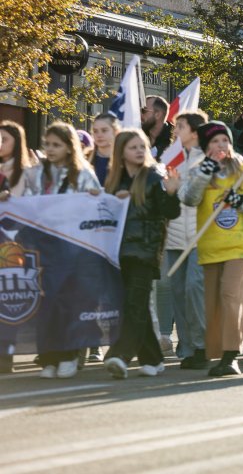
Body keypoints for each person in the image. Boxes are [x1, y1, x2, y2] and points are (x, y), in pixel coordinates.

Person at [179, 121, 243, 376]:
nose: (221, 146)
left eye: (225, 141)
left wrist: (238, 200)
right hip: (210, 245)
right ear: (206, 146)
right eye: (215, 142)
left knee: (231, 296)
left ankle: (232, 356)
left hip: (238, 244)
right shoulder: (199, 169)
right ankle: (215, 353)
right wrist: (205, 172)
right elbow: (188, 197)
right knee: (213, 301)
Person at [23, 122, 102, 378]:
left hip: (74, 247)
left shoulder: (83, 174)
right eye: (48, 144)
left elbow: (97, 206)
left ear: (70, 148)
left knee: (71, 302)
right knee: (48, 303)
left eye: (57, 145)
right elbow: (28, 201)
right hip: (45, 247)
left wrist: (92, 198)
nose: (51, 149)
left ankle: (69, 354)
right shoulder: (38, 174)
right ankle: (49, 357)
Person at [102, 130, 181, 379]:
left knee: (134, 304)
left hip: (145, 252)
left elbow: (170, 212)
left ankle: (120, 355)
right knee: (136, 306)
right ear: (121, 152)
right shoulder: (115, 179)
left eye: (142, 146)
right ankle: (153, 358)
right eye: (132, 147)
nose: (139, 151)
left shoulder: (153, 176)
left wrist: (172, 192)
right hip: (120, 252)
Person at [164, 110, 209, 370]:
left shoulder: (208, 159)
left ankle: (202, 345)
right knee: (178, 292)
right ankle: (187, 347)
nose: (175, 129)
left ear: (194, 131)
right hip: (175, 235)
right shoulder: (171, 158)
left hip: (199, 235)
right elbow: (166, 193)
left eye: (180, 126)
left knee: (194, 288)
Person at [87, 114, 121, 363]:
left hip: (117, 234)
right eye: (95, 130)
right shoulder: (85, 161)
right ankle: (93, 342)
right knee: (91, 290)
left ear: (114, 132)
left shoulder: (122, 161)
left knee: (116, 289)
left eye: (104, 130)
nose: (99, 135)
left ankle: (118, 341)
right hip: (90, 233)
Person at [0, 121, 33, 374]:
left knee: (9, 300)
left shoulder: (25, 173)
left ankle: (6, 352)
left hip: (12, 246)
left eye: (4, 139)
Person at [142, 95, 174, 159]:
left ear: (157, 115)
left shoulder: (174, 144)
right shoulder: (138, 138)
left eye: (144, 111)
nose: (140, 114)